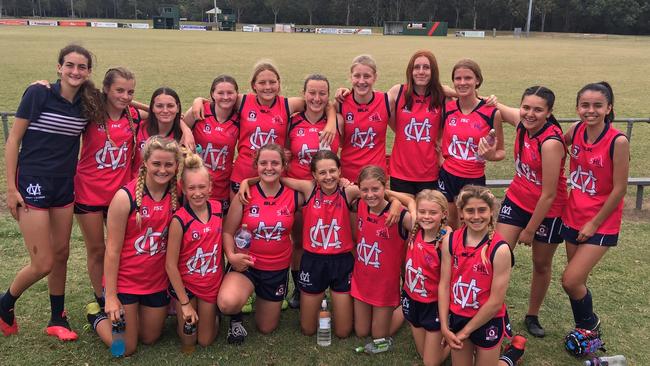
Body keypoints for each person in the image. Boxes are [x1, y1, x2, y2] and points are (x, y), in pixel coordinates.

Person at [238, 150, 407, 338]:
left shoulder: (348, 191)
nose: (328, 177)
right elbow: (275, 179)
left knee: (343, 332)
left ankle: (400, 309)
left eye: (333, 171)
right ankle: (320, 302)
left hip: (341, 262)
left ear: (340, 171)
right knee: (308, 330)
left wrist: (396, 203)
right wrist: (247, 181)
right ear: (314, 175)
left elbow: (381, 191)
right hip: (313, 261)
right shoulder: (308, 188)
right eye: (322, 173)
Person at [1, 44, 101, 340]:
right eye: (69, 65)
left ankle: (57, 318)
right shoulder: (38, 93)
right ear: (59, 67)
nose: (75, 71)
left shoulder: (88, 102)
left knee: (61, 253)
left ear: (88, 72)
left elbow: (124, 101)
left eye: (81, 67)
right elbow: (13, 140)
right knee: (43, 262)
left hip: (64, 185)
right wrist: (9, 188)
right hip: (32, 184)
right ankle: (5, 303)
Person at [192, 60, 337, 193]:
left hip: (273, 175)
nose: (268, 87)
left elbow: (320, 102)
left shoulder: (288, 104)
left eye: (272, 82)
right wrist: (198, 100)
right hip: (243, 174)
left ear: (278, 84)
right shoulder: (242, 101)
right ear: (253, 85)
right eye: (262, 82)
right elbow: (220, 99)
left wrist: (331, 123)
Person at [494, 86, 567, 338]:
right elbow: (495, 106)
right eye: (526, 107)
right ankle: (494, 310)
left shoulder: (550, 143)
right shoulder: (522, 122)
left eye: (538, 109)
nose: (530, 113)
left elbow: (548, 194)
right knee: (497, 254)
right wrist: (452, 90)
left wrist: (529, 229)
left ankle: (532, 315)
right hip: (516, 200)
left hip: (547, 211)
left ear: (549, 113)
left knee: (541, 263)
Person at [560, 82, 629, 349]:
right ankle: (584, 330)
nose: (590, 111)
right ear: (578, 107)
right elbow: (552, 140)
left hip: (600, 221)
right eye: (585, 105)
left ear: (609, 108)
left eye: (598, 105)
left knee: (571, 279)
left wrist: (594, 222)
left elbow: (620, 188)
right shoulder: (576, 130)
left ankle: (590, 327)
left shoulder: (617, 140)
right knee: (575, 281)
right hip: (572, 215)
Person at [99, 136, 181, 355]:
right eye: (156, 163)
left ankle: (129, 319)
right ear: (145, 162)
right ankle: (98, 317)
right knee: (124, 349)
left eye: (168, 164)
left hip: (155, 282)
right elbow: (112, 250)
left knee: (151, 337)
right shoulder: (124, 197)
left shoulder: (177, 195)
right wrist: (111, 296)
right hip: (126, 282)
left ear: (176, 166)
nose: (162, 170)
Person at [217, 144, 300, 343]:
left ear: (283, 165)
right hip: (247, 265)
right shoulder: (245, 194)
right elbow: (227, 232)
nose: (269, 167)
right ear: (256, 165)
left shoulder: (295, 195)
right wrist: (232, 256)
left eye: (275, 163)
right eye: (263, 163)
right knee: (228, 303)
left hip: (276, 268)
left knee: (266, 327)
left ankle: (260, 298)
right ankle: (236, 319)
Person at [74, 67, 140, 317]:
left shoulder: (134, 115)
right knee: (97, 249)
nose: (125, 96)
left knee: (120, 247)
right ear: (106, 89)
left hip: (119, 196)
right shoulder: (91, 114)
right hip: (88, 192)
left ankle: (116, 290)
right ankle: (100, 298)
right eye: (119, 90)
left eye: (130, 91)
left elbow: (155, 110)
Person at [438, 185, 514, 366]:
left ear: (491, 212)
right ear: (461, 213)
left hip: (488, 319)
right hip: (458, 315)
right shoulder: (450, 240)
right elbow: (444, 284)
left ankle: (512, 355)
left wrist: (465, 332)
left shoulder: (500, 249)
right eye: (470, 211)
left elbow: (496, 302)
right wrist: (444, 326)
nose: (476, 216)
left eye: (482, 210)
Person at [285, 74, 341, 308]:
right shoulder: (292, 121)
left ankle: (333, 285)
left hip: (330, 192)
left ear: (327, 96)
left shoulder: (337, 121)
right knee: (300, 242)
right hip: (300, 191)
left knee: (331, 240)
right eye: (312, 93)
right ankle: (300, 288)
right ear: (304, 93)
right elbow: (285, 153)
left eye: (322, 93)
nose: (316, 98)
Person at [166, 151, 224, 348]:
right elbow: (170, 265)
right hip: (188, 286)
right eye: (192, 188)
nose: (197, 192)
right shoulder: (179, 220)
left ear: (210, 187)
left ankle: (215, 317)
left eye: (202, 187)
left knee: (205, 341)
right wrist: (184, 302)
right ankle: (180, 310)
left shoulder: (217, 209)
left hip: (210, 285)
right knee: (188, 341)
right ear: (183, 188)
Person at [350, 165, 415, 341]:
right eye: (364, 189)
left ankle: (406, 306)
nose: (370, 194)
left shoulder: (399, 215)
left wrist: (405, 203)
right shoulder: (361, 204)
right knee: (362, 332)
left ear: (384, 187)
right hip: (362, 279)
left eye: (375, 189)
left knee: (380, 335)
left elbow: (420, 226)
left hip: (385, 285)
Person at [438, 59, 505, 229]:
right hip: (447, 175)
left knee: (470, 224)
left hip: (473, 179)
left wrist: (490, 155)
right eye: (458, 78)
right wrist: (442, 162)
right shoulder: (448, 108)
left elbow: (501, 152)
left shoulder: (491, 113)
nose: (462, 82)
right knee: (450, 222)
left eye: (468, 78)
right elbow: (439, 140)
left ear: (477, 80)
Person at [387, 50, 447, 196]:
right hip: (400, 172)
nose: (421, 72)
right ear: (410, 71)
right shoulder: (398, 92)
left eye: (426, 67)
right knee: (403, 217)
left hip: (429, 173)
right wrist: (345, 92)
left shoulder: (442, 97)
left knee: (427, 218)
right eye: (416, 67)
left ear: (433, 71)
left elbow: (468, 102)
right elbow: (374, 104)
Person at [402, 189, 451, 365]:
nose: (426, 217)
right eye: (422, 211)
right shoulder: (415, 226)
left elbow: (447, 281)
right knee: (425, 355)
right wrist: (390, 197)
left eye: (433, 213)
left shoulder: (446, 240)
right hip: (412, 299)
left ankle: (457, 339)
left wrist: (447, 231)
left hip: (433, 304)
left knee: (430, 363)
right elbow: (406, 199)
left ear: (444, 214)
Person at [182, 75, 240, 214]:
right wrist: (187, 131)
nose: (225, 97)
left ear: (237, 94)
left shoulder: (239, 118)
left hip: (221, 186)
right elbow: (179, 123)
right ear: (212, 94)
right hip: (194, 183)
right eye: (220, 93)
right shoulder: (200, 111)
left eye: (230, 93)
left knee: (217, 229)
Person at [337, 55, 391, 182]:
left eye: (367, 76)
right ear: (351, 77)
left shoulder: (386, 101)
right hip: (348, 178)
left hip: (377, 177)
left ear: (375, 77)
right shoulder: (340, 103)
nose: (361, 81)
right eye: (357, 76)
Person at [131, 87, 188, 178]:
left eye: (170, 106)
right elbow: (115, 100)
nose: (165, 110)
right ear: (152, 108)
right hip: (136, 188)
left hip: (169, 190)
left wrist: (187, 130)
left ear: (178, 108)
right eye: (159, 106)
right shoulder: (138, 126)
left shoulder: (183, 135)